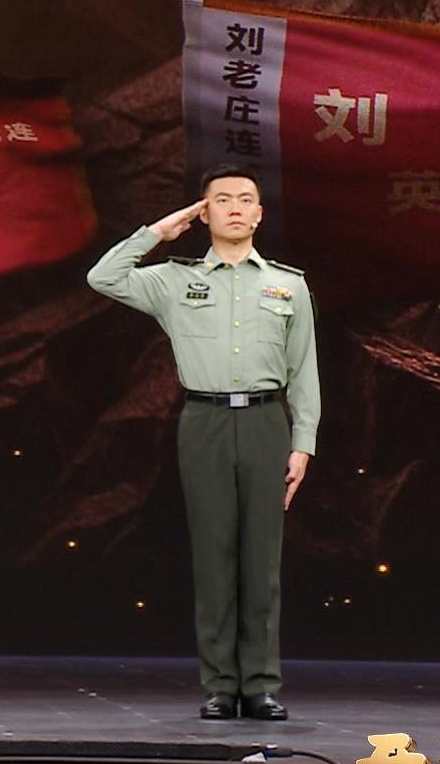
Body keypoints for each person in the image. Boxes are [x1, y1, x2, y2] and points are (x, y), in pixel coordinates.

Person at [86, 163, 319, 721]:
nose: (235, 207)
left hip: (266, 422)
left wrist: (303, 441)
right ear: (204, 212)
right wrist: (158, 232)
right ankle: (220, 685)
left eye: (245, 199)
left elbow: (304, 369)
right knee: (214, 555)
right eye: (222, 199)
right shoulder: (172, 279)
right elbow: (103, 277)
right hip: (204, 420)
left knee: (261, 559)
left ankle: (260, 684)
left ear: (259, 214)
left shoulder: (288, 284)